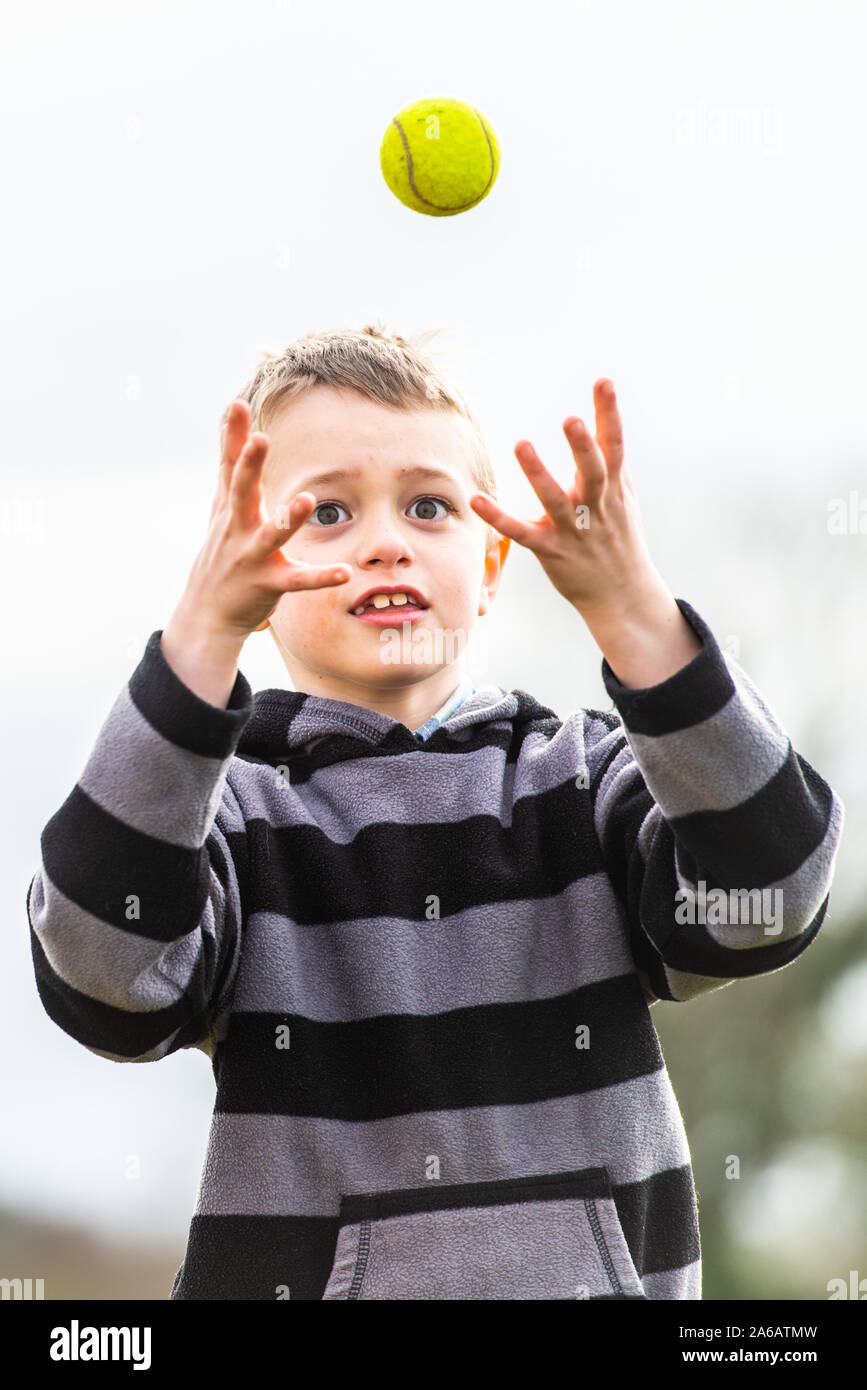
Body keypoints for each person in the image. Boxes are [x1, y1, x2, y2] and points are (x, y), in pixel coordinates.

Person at [27, 322, 844, 1300]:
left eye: (427, 505)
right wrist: (200, 639)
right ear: (253, 565)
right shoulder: (229, 816)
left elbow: (770, 893)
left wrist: (639, 620)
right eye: (326, 512)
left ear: (492, 564)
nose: (383, 542)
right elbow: (104, 967)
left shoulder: (586, 782)